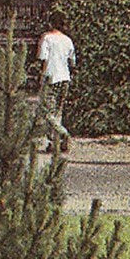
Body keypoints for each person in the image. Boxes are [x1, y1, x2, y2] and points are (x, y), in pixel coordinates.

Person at [35, 11, 76, 154]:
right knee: (58, 111)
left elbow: (43, 59)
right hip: (65, 77)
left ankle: (63, 134)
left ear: (50, 23)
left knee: (47, 112)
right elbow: (72, 61)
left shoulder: (46, 38)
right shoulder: (68, 40)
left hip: (51, 77)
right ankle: (55, 143)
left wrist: (42, 76)